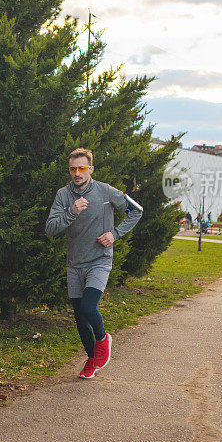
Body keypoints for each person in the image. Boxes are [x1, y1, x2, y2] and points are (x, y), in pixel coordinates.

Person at [45, 148, 143, 379]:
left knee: (89, 308)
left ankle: (103, 339)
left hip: (100, 259)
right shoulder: (63, 195)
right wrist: (72, 212)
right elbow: (50, 229)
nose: (77, 173)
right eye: (73, 169)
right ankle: (92, 359)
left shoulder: (106, 192)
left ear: (90, 169)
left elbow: (135, 211)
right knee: (80, 317)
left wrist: (115, 234)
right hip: (75, 263)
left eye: (82, 168)